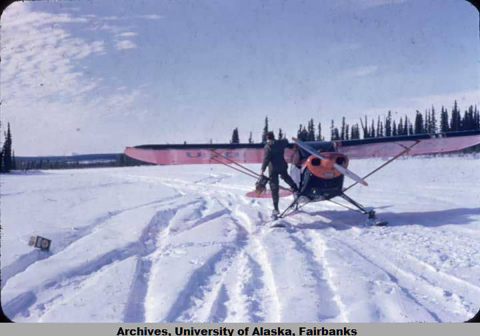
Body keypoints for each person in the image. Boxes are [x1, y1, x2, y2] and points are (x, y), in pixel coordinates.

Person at [260, 132, 299, 218]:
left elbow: (266, 158)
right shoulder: (280, 143)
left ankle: (276, 208)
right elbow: (286, 141)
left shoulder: (268, 146)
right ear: (274, 137)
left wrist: (262, 170)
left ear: (267, 138)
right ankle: (295, 188)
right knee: (285, 176)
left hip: (273, 169)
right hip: (282, 165)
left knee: (274, 187)